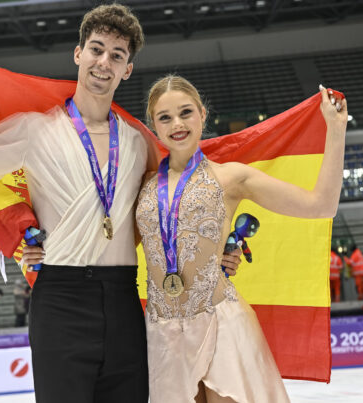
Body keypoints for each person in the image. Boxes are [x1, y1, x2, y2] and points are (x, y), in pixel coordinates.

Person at [0, 4, 240, 402]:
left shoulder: (138, 143)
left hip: (123, 302)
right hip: (61, 302)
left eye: (117, 55)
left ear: (127, 69)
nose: (104, 62)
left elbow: (183, 205)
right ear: (78, 54)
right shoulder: (35, 130)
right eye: (96, 49)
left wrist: (217, 249)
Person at [136, 75, 347, 402]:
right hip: (162, 336)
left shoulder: (231, 176)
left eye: (186, 112)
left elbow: (321, 205)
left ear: (202, 115)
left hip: (222, 325)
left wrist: (336, 130)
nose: (177, 123)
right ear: (154, 125)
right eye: (165, 117)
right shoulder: (142, 183)